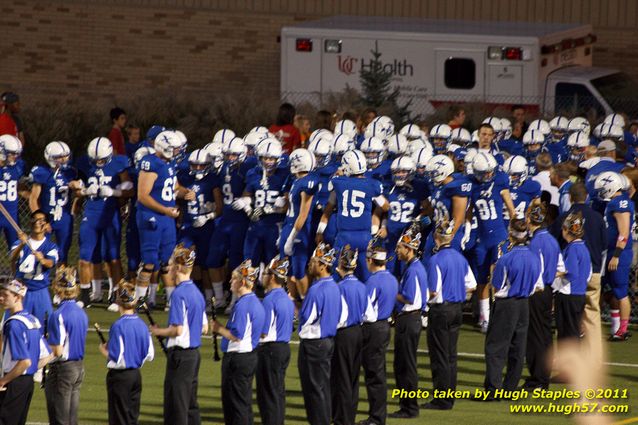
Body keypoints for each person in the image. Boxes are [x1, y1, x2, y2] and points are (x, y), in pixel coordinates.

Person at [482, 219, 542, 399]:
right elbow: (538, 285)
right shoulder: (534, 257)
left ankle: (493, 390)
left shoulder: (506, 258)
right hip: (524, 304)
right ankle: (510, 388)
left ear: (511, 234)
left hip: (506, 304)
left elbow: (497, 286)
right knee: (518, 347)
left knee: (496, 348)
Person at [549, 182, 607, 367]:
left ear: (570, 197)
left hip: (570, 275)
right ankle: (594, 360)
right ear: (587, 197)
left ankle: (567, 362)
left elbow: (554, 244)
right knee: (592, 317)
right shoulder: (598, 217)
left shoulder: (564, 217)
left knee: (566, 322)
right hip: (594, 271)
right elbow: (605, 244)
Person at [149, 244, 207, 425]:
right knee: (190, 405)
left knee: (177, 407)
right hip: (194, 355)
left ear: (178, 267)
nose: (169, 267)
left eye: (172, 264)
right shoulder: (197, 293)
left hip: (181, 356)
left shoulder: (179, 294)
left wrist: (158, 331)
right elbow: (204, 327)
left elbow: (177, 329)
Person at [73, 137, 133, 307]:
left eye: (102, 159)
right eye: (95, 160)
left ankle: (117, 294)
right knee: (85, 256)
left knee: (113, 257)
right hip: (90, 214)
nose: (98, 162)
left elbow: (130, 190)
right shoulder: (84, 163)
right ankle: (85, 295)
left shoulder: (119, 163)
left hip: (110, 214)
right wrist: (83, 190)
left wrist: (114, 192)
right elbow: (76, 190)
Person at [424, 220, 476, 410]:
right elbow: (472, 285)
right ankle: (449, 395)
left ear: (436, 237)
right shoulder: (460, 258)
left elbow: (433, 291)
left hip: (441, 311)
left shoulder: (435, 260)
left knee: (439, 355)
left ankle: (442, 399)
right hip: (457, 309)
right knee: (451, 354)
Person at [136, 131, 192, 303]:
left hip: (166, 217)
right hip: (151, 216)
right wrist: (165, 210)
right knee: (149, 262)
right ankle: (139, 300)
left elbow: (174, 187)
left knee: (168, 261)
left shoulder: (169, 163)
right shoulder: (150, 163)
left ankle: (170, 300)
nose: (177, 152)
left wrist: (186, 193)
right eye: (174, 149)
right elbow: (143, 196)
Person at [317, 150, 388, 281]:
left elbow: (328, 209)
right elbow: (385, 206)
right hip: (364, 237)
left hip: (345, 236)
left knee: (338, 274)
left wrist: (319, 231)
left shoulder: (338, 183)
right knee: (366, 276)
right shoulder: (372, 185)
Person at [212, 260, 265, 425]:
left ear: (243, 282)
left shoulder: (243, 305)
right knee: (243, 403)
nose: (230, 281)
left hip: (238, 358)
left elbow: (237, 336)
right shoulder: (256, 302)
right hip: (249, 356)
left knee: (235, 406)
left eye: (233, 279)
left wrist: (218, 328)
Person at [297, 243, 341, 425]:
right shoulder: (335, 286)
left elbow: (306, 318)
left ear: (323, 265)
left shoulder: (316, 289)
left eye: (314, 261)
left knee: (313, 389)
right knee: (322, 387)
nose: (309, 264)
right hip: (328, 341)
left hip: (313, 344)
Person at [100, 280, 154, 425]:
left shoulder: (118, 325)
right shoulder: (142, 324)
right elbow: (150, 354)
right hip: (136, 376)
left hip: (120, 378)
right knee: (132, 418)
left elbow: (117, 358)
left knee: (119, 418)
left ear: (118, 301)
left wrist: (104, 350)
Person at [207, 138, 251, 311]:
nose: (230, 158)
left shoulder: (247, 168)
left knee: (235, 263)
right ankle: (219, 298)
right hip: (225, 219)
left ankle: (235, 299)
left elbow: (254, 189)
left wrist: (247, 200)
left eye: (234, 154)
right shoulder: (224, 167)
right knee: (212, 259)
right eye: (228, 154)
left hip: (240, 221)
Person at [523, 203, 563, 391]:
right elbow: (560, 268)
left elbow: (534, 269)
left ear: (530, 219)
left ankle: (538, 379)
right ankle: (543, 376)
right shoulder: (551, 239)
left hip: (537, 291)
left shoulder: (536, 242)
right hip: (547, 290)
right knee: (545, 334)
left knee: (536, 335)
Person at [359, 238, 398, 425]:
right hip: (385, 327)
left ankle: (376, 417)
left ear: (370, 261)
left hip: (373, 329)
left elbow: (367, 313)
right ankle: (378, 415)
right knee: (378, 372)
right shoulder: (391, 278)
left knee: (374, 374)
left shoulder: (372, 282)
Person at [390, 223, 427, 419]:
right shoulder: (416, 267)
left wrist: (392, 293)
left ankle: (409, 408)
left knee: (406, 366)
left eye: (399, 248)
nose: (397, 251)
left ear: (409, 249)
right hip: (412, 319)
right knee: (405, 364)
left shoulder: (413, 270)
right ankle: (407, 406)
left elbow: (410, 297)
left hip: (409, 319)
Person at [45, 266, 89, 425]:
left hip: (62, 369)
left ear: (58, 290)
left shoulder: (57, 315)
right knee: (71, 418)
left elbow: (57, 350)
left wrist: (38, 363)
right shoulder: (82, 313)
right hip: (78, 368)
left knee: (59, 419)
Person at [594, 171, 634, 340]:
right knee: (606, 289)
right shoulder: (615, 202)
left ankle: (622, 330)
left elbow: (623, 231)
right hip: (610, 251)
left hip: (619, 252)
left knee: (620, 291)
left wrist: (617, 254)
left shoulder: (620, 203)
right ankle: (613, 327)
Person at [257, 256, 295, 425]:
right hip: (283, 348)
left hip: (270, 351)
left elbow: (263, 333)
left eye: (265, 273)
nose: (262, 276)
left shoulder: (269, 300)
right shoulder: (287, 299)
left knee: (268, 396)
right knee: (277, 393)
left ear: (272, 277)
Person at [331, 245, 366, 425]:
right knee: (352, 378)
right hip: (359, 333)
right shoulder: (361, 286)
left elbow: (338, 317)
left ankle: (342, 419)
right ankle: (349, 417)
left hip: (343, 334)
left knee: (342, 378)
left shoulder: (339, 287)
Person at [28, 141, 77, 264]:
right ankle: (38, 280)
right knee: (39, 251)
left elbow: (78, 194)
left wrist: (78, 188)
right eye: (60, 157)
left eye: (66, 156)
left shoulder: (70, 172)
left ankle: (61, 281)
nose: (64, 159)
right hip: (47, 216)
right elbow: (33, 198)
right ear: (51, 158)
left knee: (63, 253)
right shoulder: (42, 172)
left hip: (64, 217)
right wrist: (40, 220)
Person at [10, 210, 59, 327]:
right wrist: (22, 244)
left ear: (47, 225)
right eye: (35, 220)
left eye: (41, 220)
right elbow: (12, 257)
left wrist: (42, 260)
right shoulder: (20, 243)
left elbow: (51, 263)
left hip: (40, 290)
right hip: (20, 290)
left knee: (46, 327)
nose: (37, 223)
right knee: (12, 324)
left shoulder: (50, 246)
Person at [280, 148, 317, 298]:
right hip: (289, 225)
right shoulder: (296, 181)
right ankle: (294, 303)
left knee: (299, 269)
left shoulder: (307, 183)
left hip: (299, 230)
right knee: (287, 269)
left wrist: (290, 238)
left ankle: (305, 301)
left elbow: (303, 214)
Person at [553, 212, 591, 343]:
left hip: (569, 295)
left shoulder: (573, 248)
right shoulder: (583, 247)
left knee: (567, 333)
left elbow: (572, 272)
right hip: (579, 294)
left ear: (566, 230)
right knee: (573, 332)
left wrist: (555, 274)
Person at [0, 135, 25, 248]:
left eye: (17, 153)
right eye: (12, 153)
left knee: (16, 250)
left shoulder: (18, 166)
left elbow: (19, 188)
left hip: (12, 215)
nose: (15, 157)